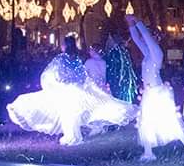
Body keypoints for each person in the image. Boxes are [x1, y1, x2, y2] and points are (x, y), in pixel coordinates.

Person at [7, 35, 137, 146]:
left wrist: (56, 83)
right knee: (72, 115)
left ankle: (72, 137)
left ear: (65, 45)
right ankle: (73, 137)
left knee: (68, 115)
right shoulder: (77, 59)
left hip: (66, 91)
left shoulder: (61, 59)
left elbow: (49, 74)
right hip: (76, 91)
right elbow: (82, 77)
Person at [127, 16, 184, 162]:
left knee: (170, 122)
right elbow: (137, 39)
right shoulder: (148, 54)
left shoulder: (157, 53)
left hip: (158, 94)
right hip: (149, 94)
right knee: (146, 122)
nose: (147, 39)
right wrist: (131, 25)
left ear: (157, 39)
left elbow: (146, 38)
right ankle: (148, 153)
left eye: (152, 37)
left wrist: (138, 22)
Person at [104, 33, 139, 103]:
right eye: (128, 41)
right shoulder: (115, 53)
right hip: (119, 81)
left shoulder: (125, 51)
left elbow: (129, 66)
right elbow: (111, 68)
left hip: (125, 81)